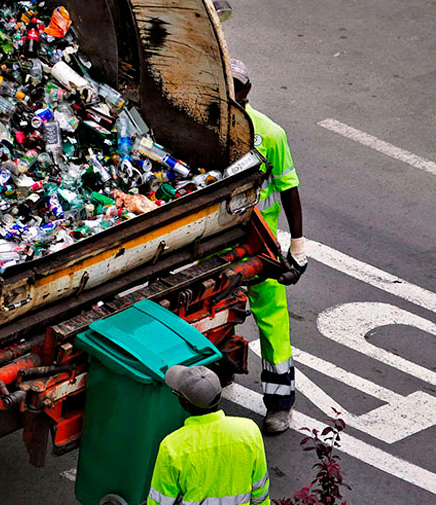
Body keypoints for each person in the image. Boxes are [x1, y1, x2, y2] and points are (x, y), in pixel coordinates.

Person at [230, 59, 307, 435]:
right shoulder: (204, 125)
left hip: (259, 243)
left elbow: (289, 189)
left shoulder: (270, 134)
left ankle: (280, 405)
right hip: (215, 240)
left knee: (273, 323)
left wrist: (298, 245)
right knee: (213, 309)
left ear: (247, 91)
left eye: (236, 87)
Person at [147, 365, 271, 505]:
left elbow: (160, 502)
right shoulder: (249, 431)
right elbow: (260, 490)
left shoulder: (172, 447)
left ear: (185, 403)